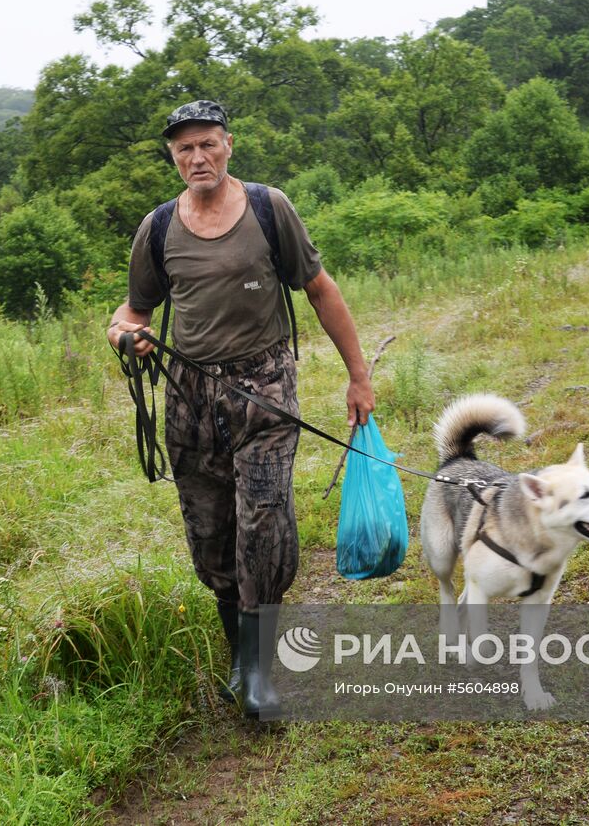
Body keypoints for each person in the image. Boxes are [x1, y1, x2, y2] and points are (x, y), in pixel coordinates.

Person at [106, 100, 374, 717]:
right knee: (211, 535)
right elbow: (132, 314)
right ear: (173, 158)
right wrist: (124, 336)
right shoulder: (156, 229)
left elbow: (319, 289)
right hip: (190, 398)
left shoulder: (267, 208)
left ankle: (258, 674)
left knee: (264, 522)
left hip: (264, 389)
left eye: (207, 144)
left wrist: (359, 377)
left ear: (228, 145)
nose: (196, 157)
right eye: (183, 149)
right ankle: (237, 657)